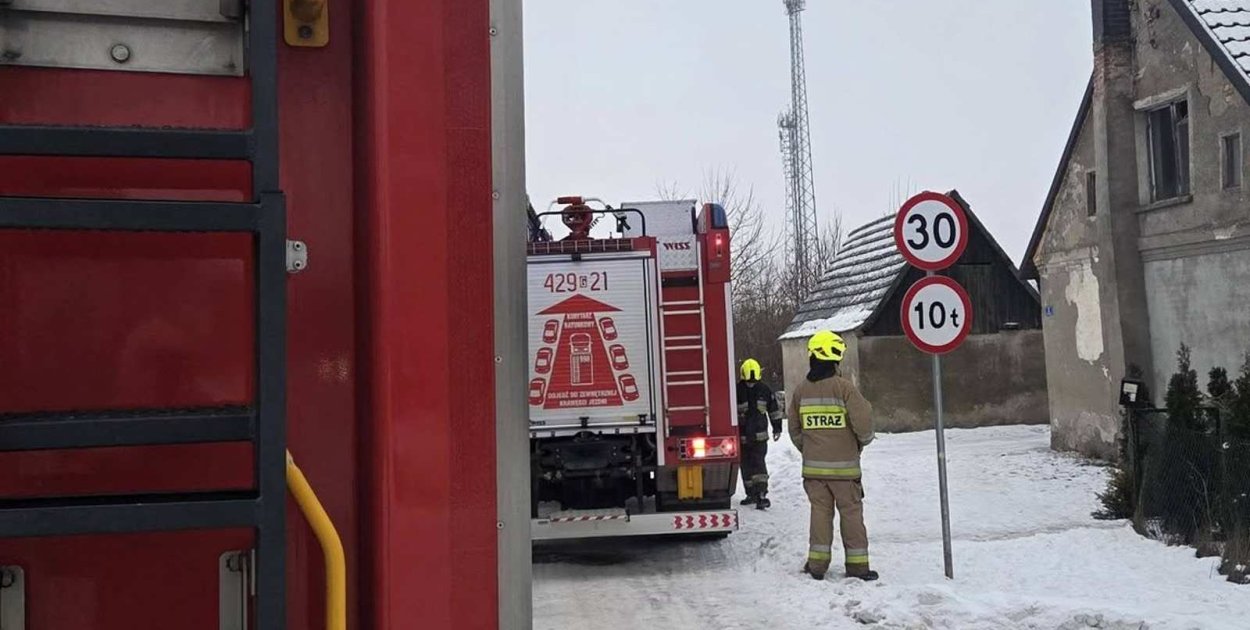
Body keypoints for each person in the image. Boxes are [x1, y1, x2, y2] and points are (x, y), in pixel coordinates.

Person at [787, 330, 878, 581]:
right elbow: (864, 426)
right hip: (845, 472)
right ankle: (858, 567)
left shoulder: (800, 391)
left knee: (819, 515)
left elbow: (794, 429)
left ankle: (816, 566)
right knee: (851, 516)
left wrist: (808, 449)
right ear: (835, 357)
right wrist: (861, 443)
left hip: (814, 473)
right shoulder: (845, 389)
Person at [736, 358, 782, 510]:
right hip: (752, 437)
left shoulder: (738, 389)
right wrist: (777, 428)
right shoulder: (763, 389)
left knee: (753, 464)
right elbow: (774, 411)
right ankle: (754, 494)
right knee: (751, 464)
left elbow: (774, 410)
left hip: (750, 437)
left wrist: (778, 428)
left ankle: (759, 494)